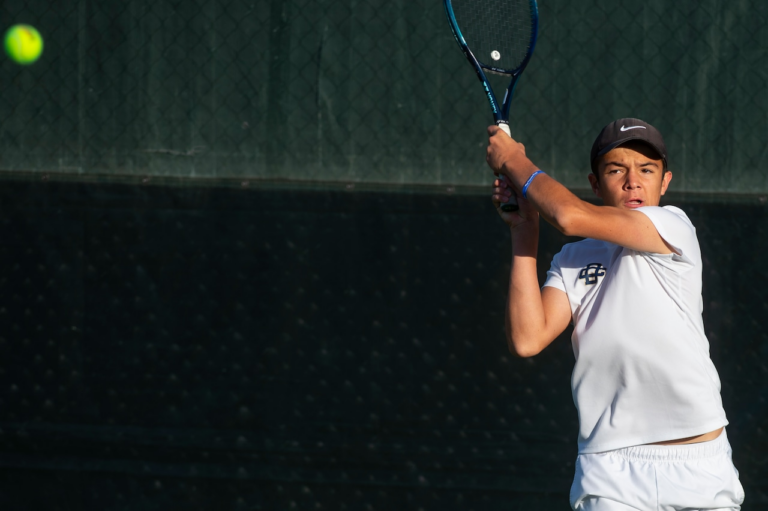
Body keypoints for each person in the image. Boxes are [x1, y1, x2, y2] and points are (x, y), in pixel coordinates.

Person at [485, 118, 745, 511]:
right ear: (595, 184)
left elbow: (569, 216)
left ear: (665, 182)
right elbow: (527, 338)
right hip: (610, 471)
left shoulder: (673, 226)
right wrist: (525, 231)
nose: (632, 181)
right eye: (616, 169)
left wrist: (514, 159)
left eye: (646, 169)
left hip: (698, 464)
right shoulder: (572, 259)